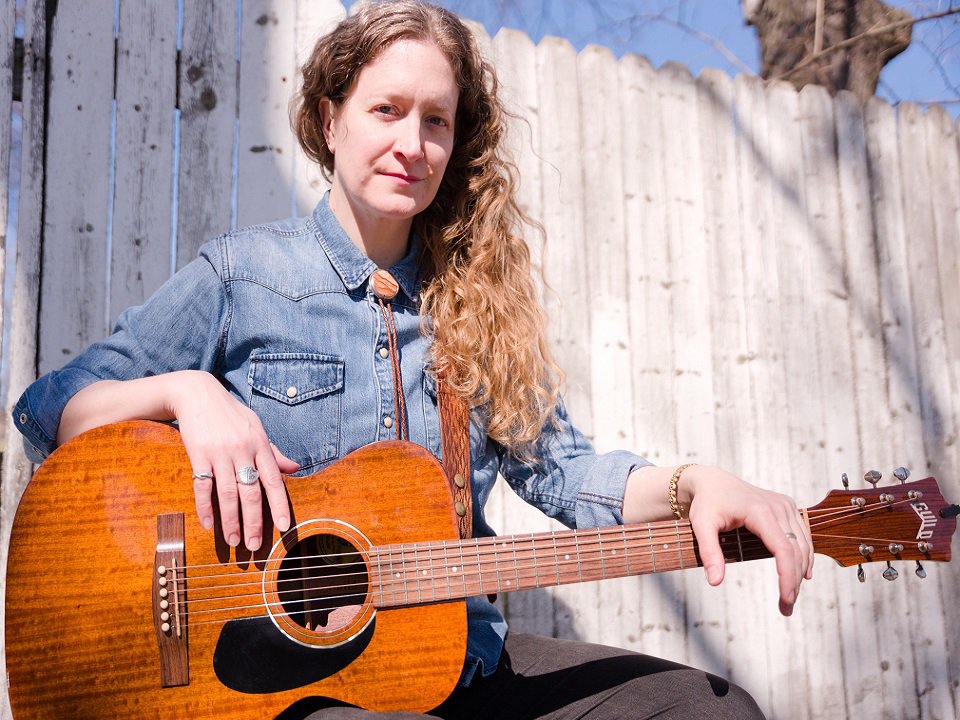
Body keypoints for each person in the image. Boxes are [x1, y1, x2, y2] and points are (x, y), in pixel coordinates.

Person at [13, 2, 813, 718]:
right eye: (386, 110)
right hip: (276, 682)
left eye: (436, 120)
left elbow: (566, 474)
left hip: (459, 663)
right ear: (332, 120)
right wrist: (188, 393)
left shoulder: (476, 304)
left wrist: (697, 486)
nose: (411, 144)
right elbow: (54, 406)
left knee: (706, 708)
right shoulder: (244, 276)